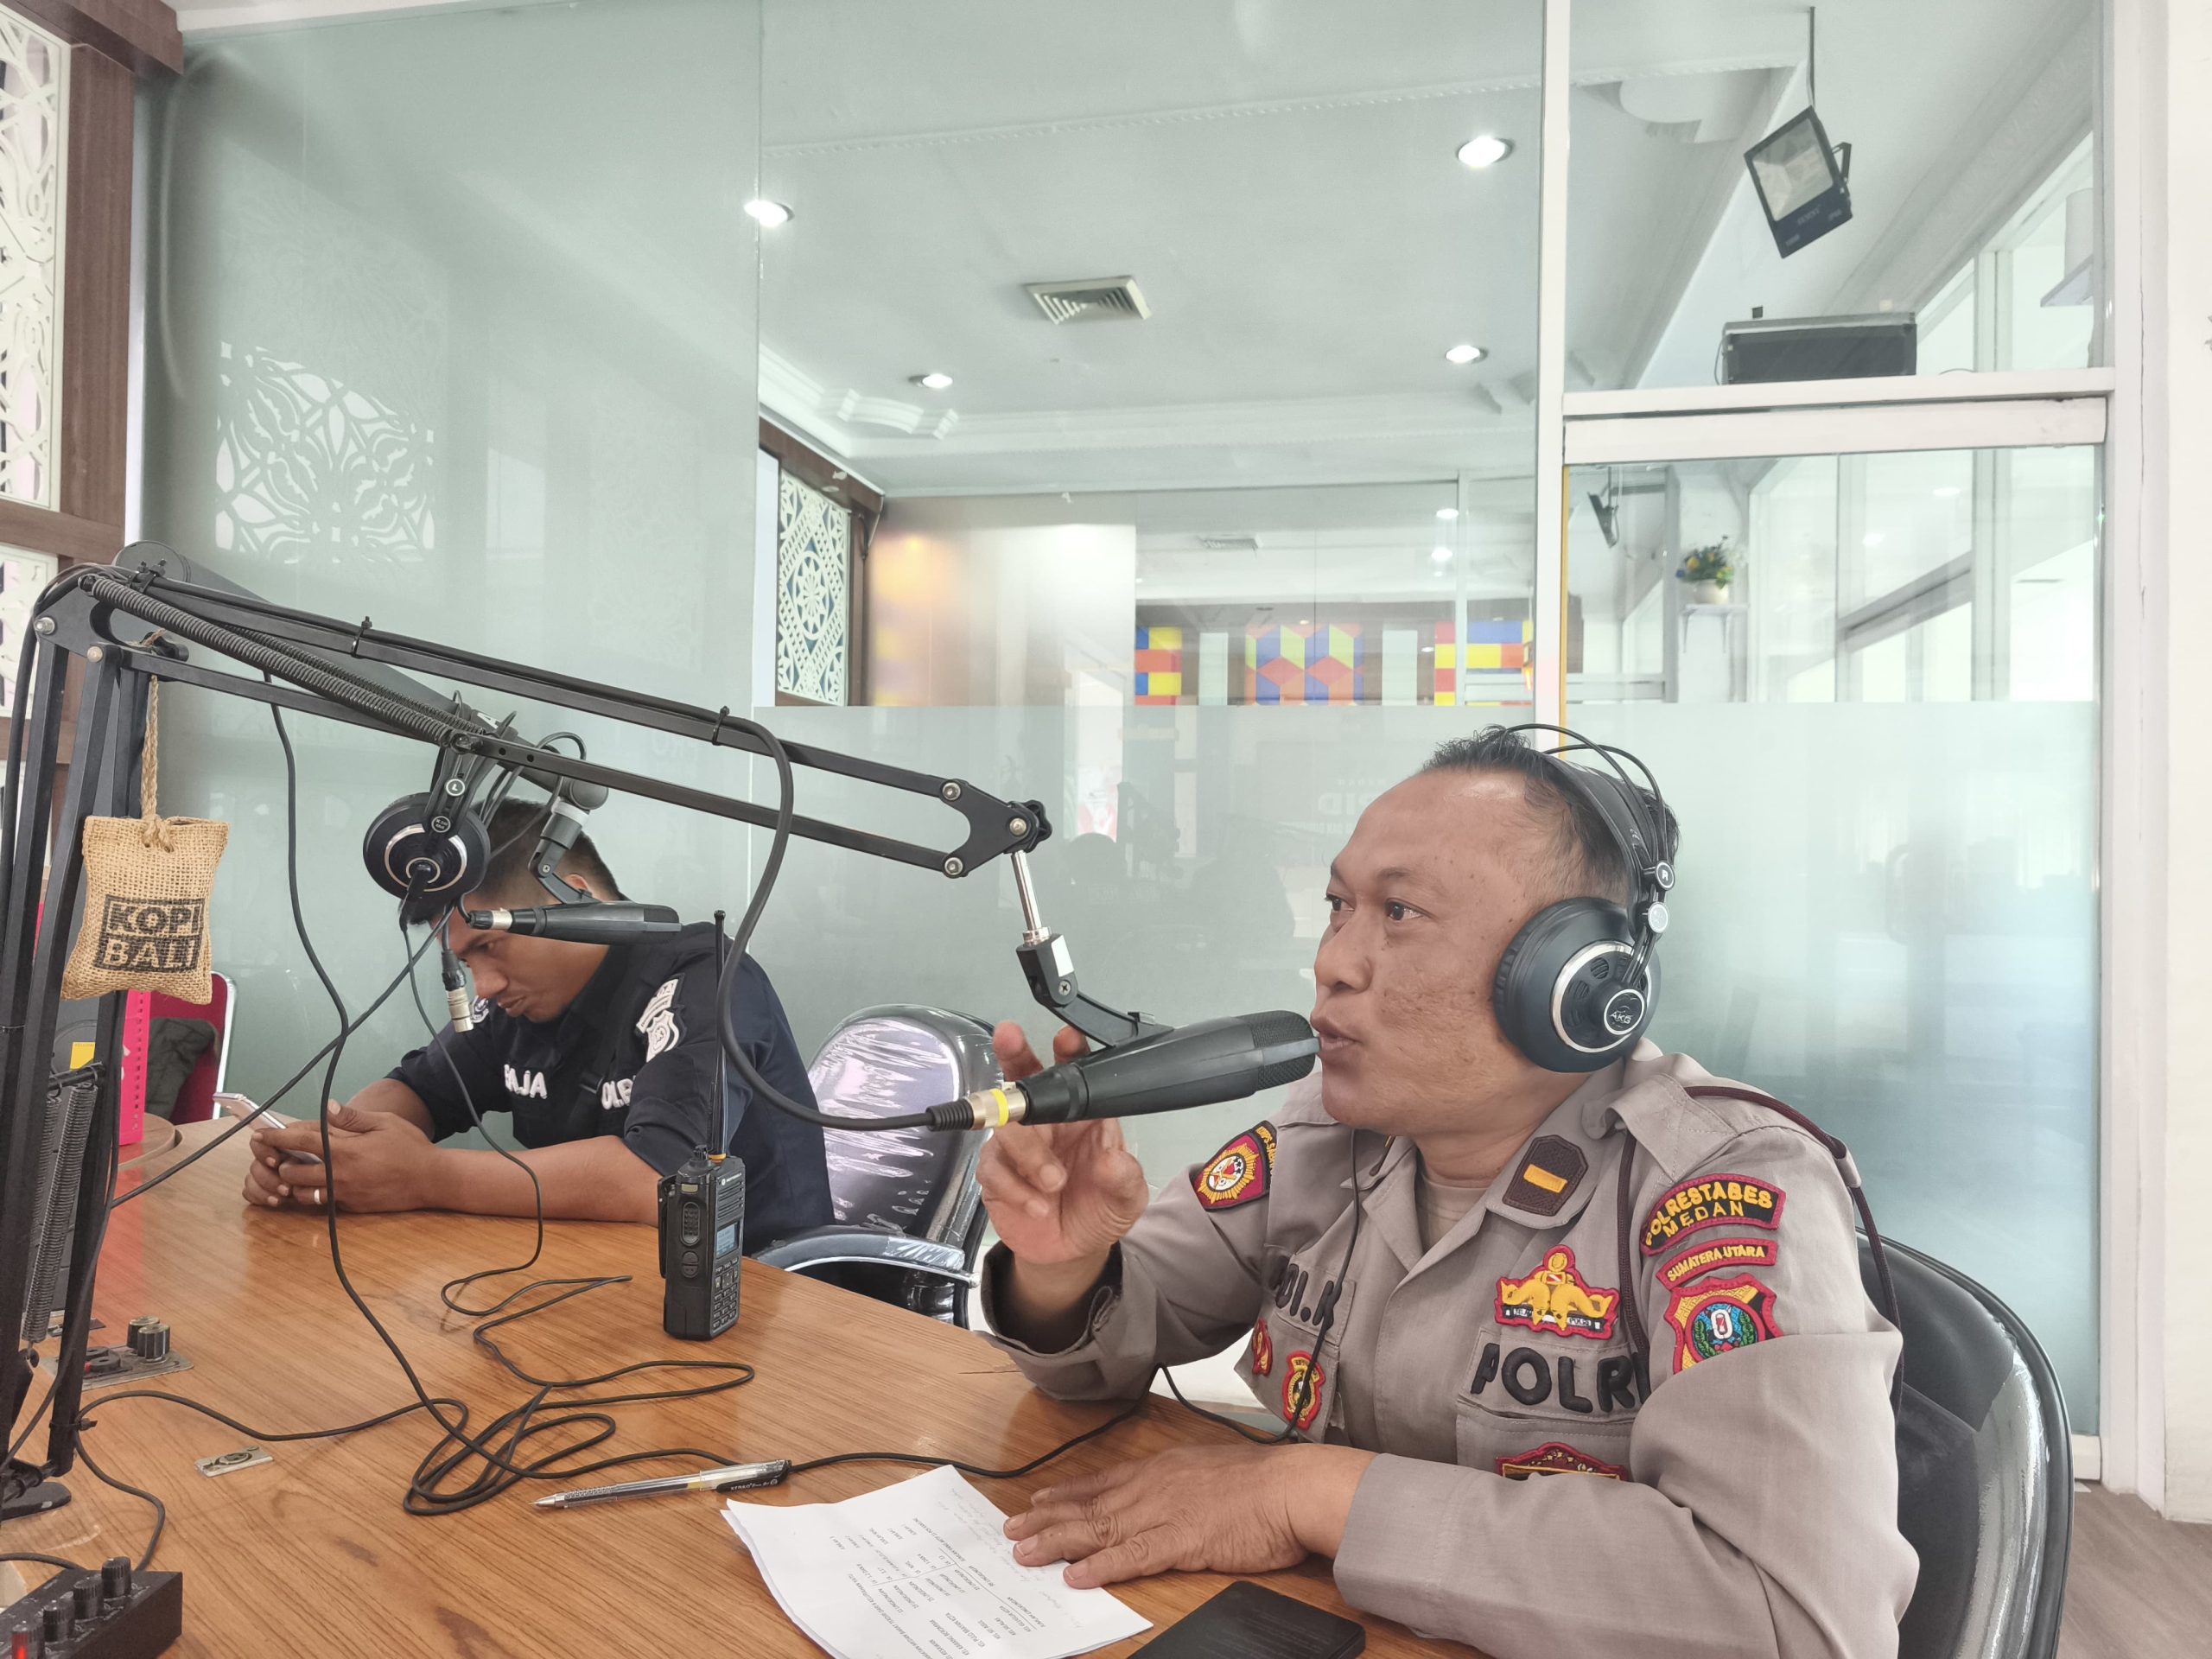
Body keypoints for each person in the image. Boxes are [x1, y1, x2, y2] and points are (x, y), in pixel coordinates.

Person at [975, 728, 1916, 1659]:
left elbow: (1791, 1615)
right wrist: (1063, 1264)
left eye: (1400, 913)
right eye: (1339, 906)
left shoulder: (1722, 1188)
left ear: (1569, 982)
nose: (1333, 962)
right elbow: (1095, 1362)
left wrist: (1303, 1494)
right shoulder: (1321, 1136)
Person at [242, 800, 833, 1243]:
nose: (484, 985)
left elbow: (657, 1181)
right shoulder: (522, 1003)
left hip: (762, 1290)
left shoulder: (706, 979)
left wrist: (427, 1177)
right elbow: (418, 1090)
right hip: (595, 1276)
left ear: (569, 900)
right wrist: (332, 1157)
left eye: (489, 948)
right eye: (465, 962)